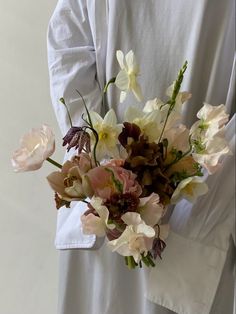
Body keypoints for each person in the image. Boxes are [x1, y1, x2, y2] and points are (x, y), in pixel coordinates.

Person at [47, 1, 235, 313]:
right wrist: (109, 167)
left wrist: (112, 171)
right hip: (103, 213)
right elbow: (69, 39)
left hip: (194, 216)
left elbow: (69, 40)